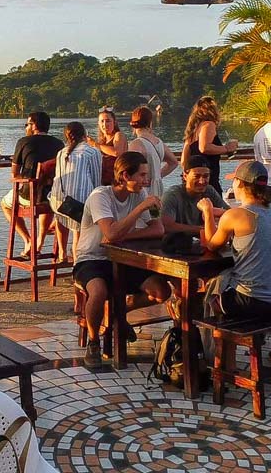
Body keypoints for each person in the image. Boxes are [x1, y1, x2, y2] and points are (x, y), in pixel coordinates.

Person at [73, 151, 168, 366]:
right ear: (125, 176)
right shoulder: (100, 196)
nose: (146, 180)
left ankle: (119, 314)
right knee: (98, 291)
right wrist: (140, 209)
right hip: (92, 258)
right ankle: (94, 342)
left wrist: (123, 235)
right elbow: (111, 232)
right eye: (142, 175)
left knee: (161, 291)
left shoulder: (139, 194)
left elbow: (158, 229)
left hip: (123, 258)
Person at [198, 160, 271, 359]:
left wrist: (207, 212)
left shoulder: (236, 215)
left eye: (234, 181)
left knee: (209, 294)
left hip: (251, 302)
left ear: (240, 184)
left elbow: (212, 245)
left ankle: (222, 360)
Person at [0, 111, 65, 253]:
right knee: (46, 197)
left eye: (27, 124)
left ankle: (28, 240)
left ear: (34, 125)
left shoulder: (24, 142)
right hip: (53, 196)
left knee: (5, 204)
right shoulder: (59, 144)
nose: (26, 127)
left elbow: (14, 174)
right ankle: (39, 241)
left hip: (30, 196)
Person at [50, 121, 102, 264]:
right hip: (77, 206)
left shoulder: (61, 153)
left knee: (62, 213)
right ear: (85, 134)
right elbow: (96, 182)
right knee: (82, 214)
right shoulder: (92, 152)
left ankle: (62, 252)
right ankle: (77, 261)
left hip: (57, 202)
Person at [180, 96, 237, 196]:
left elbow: (184, 160)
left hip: (194, 180)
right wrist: (227, 148)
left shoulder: (193, 131)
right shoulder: (208, 125)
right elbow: (204, 147)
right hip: (207, 180)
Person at [161, 155, 229, 232]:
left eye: (206, 176)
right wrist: (203, 229)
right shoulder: (172, 195)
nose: (202, 181)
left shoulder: (209, 191)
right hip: (176, 238)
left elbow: (230, 213)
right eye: (197, 176)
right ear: (185, 176)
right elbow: (166, 226)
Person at [127, 106, 179, 198]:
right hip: (158, 186)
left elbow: (130, 170)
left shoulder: (136, 144)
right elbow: (174, 162)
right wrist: (158, 175)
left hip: (143, 188)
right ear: (150, 122)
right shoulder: (159, 142)